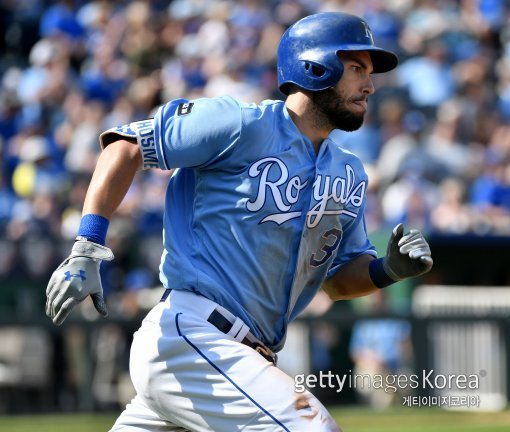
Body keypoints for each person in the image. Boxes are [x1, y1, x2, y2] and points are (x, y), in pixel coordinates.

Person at [45, 12, 433, 432]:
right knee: (313, 427)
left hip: (236, 358)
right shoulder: (240, 123)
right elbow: (124, 147)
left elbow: (336, 282)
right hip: (194, 335)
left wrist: (387, 270)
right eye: (357, 68)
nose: (370, 85)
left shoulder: (349, 172)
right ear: (315, 66)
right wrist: (87, 245)